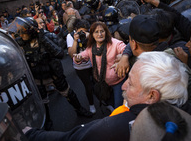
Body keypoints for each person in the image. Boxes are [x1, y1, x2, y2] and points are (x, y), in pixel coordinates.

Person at [24, 51, 190, 141]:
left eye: (130, 83)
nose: (123, 85)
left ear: (152, 96)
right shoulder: (183, 118)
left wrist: (30, 134)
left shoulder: (111, 130)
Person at [8, 17, 93, 119]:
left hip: (53, 74)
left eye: (23, 33)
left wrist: (43, 39)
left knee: (68, 93)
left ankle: (79, 109)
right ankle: (47, 120)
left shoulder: (49, 37)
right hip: (37, 77)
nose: (21, 35)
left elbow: (60, 54)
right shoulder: (21, 42)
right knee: (43, 101)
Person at [74, 21, 126, 109]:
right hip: (101, 82)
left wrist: (123, 56)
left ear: (106, 32)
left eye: (102, 31)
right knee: (107, 100)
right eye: (96, 32)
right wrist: (77, 58)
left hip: (117, 81)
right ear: (92, 35)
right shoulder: (91, 47)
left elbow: (125, 49)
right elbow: (83, 54)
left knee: (118, 107)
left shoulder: (114, 43)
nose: (100, 34)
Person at [67, 19, 96, 114]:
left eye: (85, 31)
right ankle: (91, 104)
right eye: (81, 31)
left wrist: (90, 36)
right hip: (80, 67)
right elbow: (72, 55)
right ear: (76, 29)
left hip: (92, 63)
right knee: (88, 85)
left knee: (97, 83)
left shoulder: (89, 35)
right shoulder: (70, 36)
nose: (83, 33)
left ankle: (105, 102)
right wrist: (75, 41)